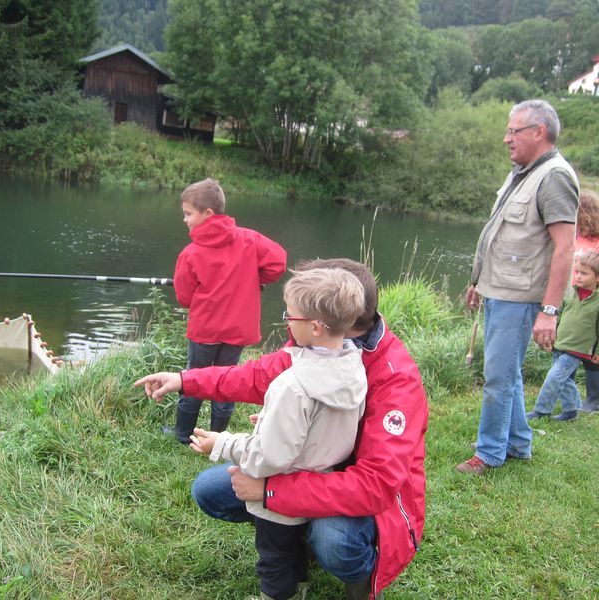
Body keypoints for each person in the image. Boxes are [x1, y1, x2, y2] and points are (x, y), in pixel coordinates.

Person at [136, 258, 429, 600]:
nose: (287, 322)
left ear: (323, 322)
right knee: (211, 489)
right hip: (312, 466)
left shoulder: (396, 380)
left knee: (333, 538)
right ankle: (298, 544)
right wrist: (185, 380)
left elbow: (374, 486)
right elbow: (255, 376)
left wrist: (269, 491)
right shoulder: (324, 344)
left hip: (367, 497)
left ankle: (360, 584)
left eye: (292, 315)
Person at [189, 267, 368, 600]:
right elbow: (326, 423)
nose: (286, 323)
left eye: (290, 316)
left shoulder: (292, 385)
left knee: (274, 558)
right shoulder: (354, 365)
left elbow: (268, 458)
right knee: (291, 549)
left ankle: (279, 594)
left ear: (315, 327)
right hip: (319, 479)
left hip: (281, 490)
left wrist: (222, 443)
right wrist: (277, 419)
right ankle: (299, 584)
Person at [459, 99, 579, 476]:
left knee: (497, 377)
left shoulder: (554, 176)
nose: (506, 138)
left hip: (521, 299)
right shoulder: (524, 173)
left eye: (513, 131)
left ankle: (490, 453)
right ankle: (518, 443)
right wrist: (479, 282)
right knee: (507, 372)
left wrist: (549, 311)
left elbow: (565, 248)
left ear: (539, 132)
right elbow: (502, 234)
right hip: (500, 291)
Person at [170, 178, 286, 444]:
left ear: (207, 213)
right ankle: (218, 437)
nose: (185, 220)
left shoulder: (191, 253)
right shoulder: (250, 239)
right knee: (228, 380)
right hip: (238, 330)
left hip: (205, 331)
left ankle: (183, 435)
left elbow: (184, 297)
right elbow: (278, 263)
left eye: (188, 213)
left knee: (194, 377)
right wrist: (256, 278)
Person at [526, 250, 599, 422]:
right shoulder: (569, 294)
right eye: (577, 272)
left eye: (584, 273)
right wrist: (552, 336)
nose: (578, 276)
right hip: (560, 344)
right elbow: (559, 318)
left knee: (554, 377)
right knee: (564, 380)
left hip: (577, 349)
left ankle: (542, 411)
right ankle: (572, 410)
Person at [574, 190, 599, 413]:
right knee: (568, 346)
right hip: (573, 301)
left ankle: (593, 400)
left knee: (592, 353)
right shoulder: (572, 236)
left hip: (595, 304)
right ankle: (568, 394)